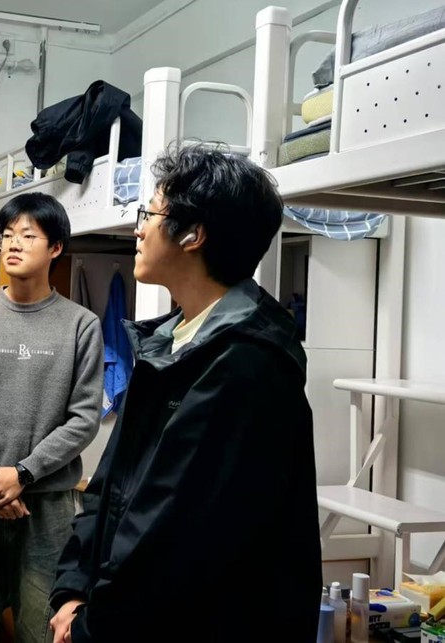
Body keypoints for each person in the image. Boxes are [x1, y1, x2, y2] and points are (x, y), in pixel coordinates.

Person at [49, 143, 322, 643]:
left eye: (149, 214)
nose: (138, 229)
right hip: (120, 615)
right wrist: (72, 588)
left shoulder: (246, 363)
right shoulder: (169, 343)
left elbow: (172, 533)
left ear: (193, 235)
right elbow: (109, 485)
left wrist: (91, 624)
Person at [0, 191, 104, 643]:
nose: (13, 243)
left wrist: (24, 474)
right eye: (7, 234)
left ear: (56, 248)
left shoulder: (81, 324)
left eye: (28, 235)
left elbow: (84, 418)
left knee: (42, 628)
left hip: (46, 502)